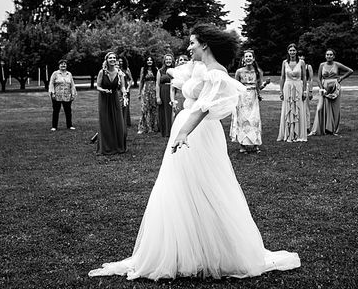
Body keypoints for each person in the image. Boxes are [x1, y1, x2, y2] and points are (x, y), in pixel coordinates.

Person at [89, 24, 300, 280]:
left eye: (192, 43)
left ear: (204, 45)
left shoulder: (216, 73)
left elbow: (203, 108)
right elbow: (181, 78)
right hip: (186, 127)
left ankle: (215, 250)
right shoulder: (199, 67)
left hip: (198, 133)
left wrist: (184, 132)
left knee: (208, 186)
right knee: (178, 186)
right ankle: (183, 250)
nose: (188, 47)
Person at [230, 49, 270, 153]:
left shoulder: (258, 71)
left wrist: (265, 83)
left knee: (254, 120)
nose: (248, 58)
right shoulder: (239, 72)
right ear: (243, 59)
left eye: (250, 56)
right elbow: (235, 86)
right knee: (243, 120)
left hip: (253, 98)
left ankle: (255, 144)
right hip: (242, 98)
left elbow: (259, 87)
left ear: (253, 58)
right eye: (246, 56)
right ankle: (242, 145)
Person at [310, 49, 353, 136]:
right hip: (324, 88)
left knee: (334, 109)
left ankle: (333, 129)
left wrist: (341, 78)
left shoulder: (337, 64)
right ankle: (322, 128)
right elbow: (318, 79)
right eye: (327, 54)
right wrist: (322, 89)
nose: (329, 56)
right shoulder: (322, 65)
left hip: (335, 89)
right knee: (321, 108)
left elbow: (350, 71)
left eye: (331, 55)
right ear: (325, 56)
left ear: (333, 56)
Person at [96, 51, 127, 155]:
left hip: (115, 98)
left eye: (114, 58)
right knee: (105, 122)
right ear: (107, 60)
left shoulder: (120, 73)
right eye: (110, 58)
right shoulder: (102, 72)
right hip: (104, 99)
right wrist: (103, 90)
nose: (112, 59)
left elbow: (122, 86)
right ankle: (106, 147)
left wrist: (124, 93)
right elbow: (98, 86)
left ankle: (117, 146)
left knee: (118, 122)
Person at [277, 44, 308, 142]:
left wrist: (304, 91)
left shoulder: (301, 62)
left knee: (298, 108)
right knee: (288, 108)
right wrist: (281, 91)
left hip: (298, 86)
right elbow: (282, 77)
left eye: (294, 50)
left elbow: (304, 77)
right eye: (290, 50)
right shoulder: (285, 62)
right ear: (288, 52)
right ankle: (288, 133)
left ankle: (298, 133)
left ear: (296, 51)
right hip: (288, 86)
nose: (292, 52)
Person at [48, 59, 76, 131]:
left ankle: (69, 125)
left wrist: (73, 94)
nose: (63, 65)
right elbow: (51, 84)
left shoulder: (69, 74)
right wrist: (52, 93)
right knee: (56, 111)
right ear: (59, 65)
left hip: (67, 95)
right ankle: (54, 126)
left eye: (64, 64)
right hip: (57, 95)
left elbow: (72, 85)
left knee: (68, 111)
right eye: (61, 64)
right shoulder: (55, 73)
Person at [137, 56, 158, 134]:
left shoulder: (156, 69)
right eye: (148, 60)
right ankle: (144, 127)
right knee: (145, 108)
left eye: (151, 60)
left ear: (152, 61)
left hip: (154, 91)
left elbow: (157, 82)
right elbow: (141, 82)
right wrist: (139, 93)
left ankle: (153, 127)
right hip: (145, 91)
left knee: (154, 108)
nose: (149, 61)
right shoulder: (143, 69)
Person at [156, 53, 175, 137]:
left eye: (169, 59)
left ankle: (173, 130)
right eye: (166, 59)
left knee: (171, 111)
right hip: (163, 92)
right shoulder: (160, 71)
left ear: (172, 60)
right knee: (164, 111)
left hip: (174, 91)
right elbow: (157, 84)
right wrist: (158, 97)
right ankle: (165, 131)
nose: (168, 61)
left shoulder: (175, 70)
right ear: (164, 61)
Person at [299, 51, 314, 133]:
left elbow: (311, 79)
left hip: (306, 86)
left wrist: (311, 91)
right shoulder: (296, 66)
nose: (301, 57)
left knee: (306, 106)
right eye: (299, 56)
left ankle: (307, 126)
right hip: (297, 85)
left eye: (302, 56)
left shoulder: (308, 66)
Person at [171, 54, 189, 123]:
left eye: (185, 60)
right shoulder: (174, 72)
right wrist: (173, 101)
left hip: (188, 97)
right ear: (178, 62)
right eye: (181, 60)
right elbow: (172, 90)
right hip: (179, 96)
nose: (183, 61)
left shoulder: (191, 72)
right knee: (178, 116)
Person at [117, 56, 133, 127]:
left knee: (126, 104)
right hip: (117, 89)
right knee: (119, 104)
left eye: (122, 61)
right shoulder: (115, 69)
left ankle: (126, 122)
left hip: (125, 88)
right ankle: (119, 121)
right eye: (119, 61)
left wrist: (128, 88)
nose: (120, 63)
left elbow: (130, 79)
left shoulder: (127, 69)